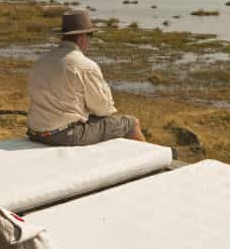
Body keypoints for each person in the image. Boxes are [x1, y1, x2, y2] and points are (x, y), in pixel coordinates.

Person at [26, 9, 146, 146]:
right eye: (91, 35)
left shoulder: (42, 60)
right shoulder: (85, 65)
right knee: (130, 123)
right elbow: (104, 110)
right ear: (82, 37)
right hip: (65, 135)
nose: (90, 41)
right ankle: (154, 160)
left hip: (35, 133)